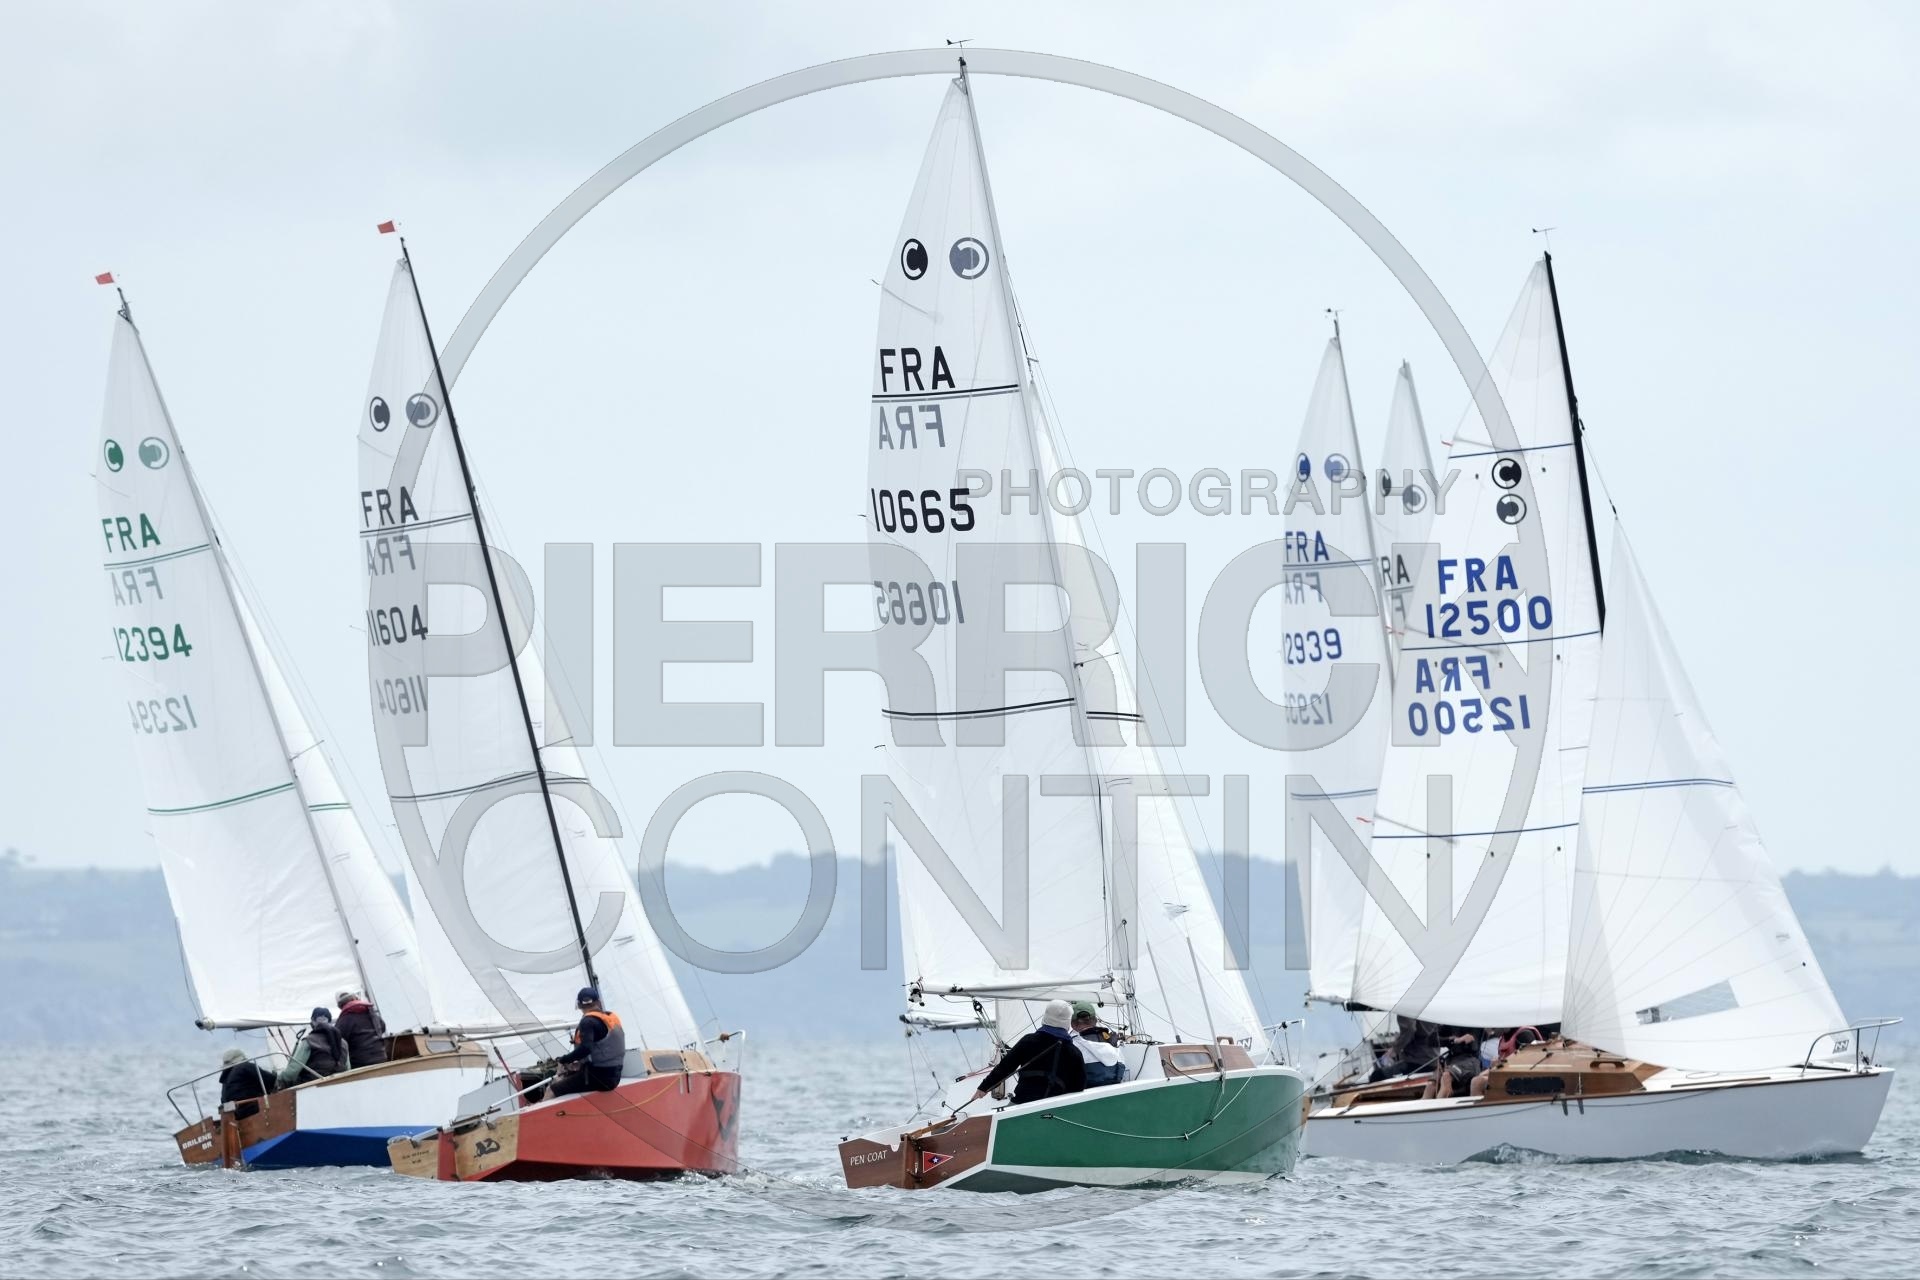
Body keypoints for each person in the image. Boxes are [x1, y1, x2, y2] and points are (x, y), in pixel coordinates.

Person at [970, 999, 1085, 1106]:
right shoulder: (1074, 1052)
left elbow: (1005, 1067)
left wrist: (984, 1087)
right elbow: (1079, 1086)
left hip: (1023, 1102)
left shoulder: (1028, 1041)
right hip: (1054, 1107)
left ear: (1046, 1017)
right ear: (1068, 1022)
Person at [550, 986, 626, 1097]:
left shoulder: (587, 1022)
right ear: (598, 1002)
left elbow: (586, 1048)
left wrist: (564, 1060)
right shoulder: (609, 1018)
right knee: (571, 1077)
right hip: (615, 1075)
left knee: (553, 1088)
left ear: (579, 1005)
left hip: (600, 1077)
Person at [276, 1007, 350, 1086]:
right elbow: (348, 1069)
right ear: (330, 1022)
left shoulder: (309, 1041)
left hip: (313, 1085)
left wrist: (279, 1080)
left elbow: (292, 1072)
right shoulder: (343, 1043)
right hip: (339, 1084)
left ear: (313, 1021)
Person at [1072, 1005, 1126, 1087]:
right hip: (1115, 1087)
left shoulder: (1071, 1044)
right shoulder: (1114, 1042)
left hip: (1087, 1090)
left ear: (1073, 1024)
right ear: (1095, 1020)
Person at [218, 1047, 276, 1120]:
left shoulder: (224, 1081)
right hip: (254, 1111)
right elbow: (271, 1081)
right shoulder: (245, 1067)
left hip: (237, 1117)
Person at [334, 991, 388, 1067]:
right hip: (382, 1058)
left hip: (361, 1064)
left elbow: (338, 1042)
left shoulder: (343, 1020)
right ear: (355, 998)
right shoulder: (371, 1013)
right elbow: (382, 1027)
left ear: (340, 1005)